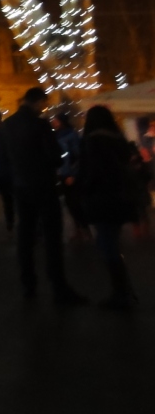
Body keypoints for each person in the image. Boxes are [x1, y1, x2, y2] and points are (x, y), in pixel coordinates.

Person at [2, 87, 86, 304]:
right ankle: (58, 286)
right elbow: (55, 157)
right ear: (38, 101)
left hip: (20, 185)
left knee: (25, 235)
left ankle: (28, 284)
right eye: (44, 104)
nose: (44, 108)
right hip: (43, 185)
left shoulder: (8, 125)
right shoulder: (40, 125)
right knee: (52, 236)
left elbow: (5, 156)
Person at [78, 106, 141, 309]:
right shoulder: (118, 139)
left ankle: (121, 293)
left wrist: (83, 189)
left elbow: (92, 172)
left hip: (102, 199)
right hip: (121, 199)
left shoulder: (93, 141)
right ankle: (124, 290)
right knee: (110, 242)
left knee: (107, 245)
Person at [50, 112, 87, 239]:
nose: (53, 123)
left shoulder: (71, 135)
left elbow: (77, 156)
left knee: (74, 202)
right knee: (69, 202)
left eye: (56, 120)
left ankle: (83, 228)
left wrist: (73, 174)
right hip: (60, 173)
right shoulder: (55, 135)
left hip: (69, 174)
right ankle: (79, 228)